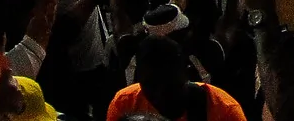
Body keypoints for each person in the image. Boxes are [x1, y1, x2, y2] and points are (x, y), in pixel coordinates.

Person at [104, 35, 245, 121]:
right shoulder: (124, 104)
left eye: (170, 86)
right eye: (150, 85)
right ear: (138, 79)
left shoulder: (225, 112)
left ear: (187, 74)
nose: (160, 95)